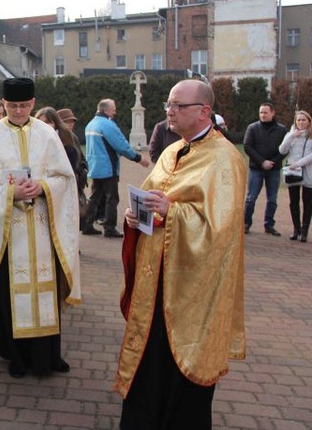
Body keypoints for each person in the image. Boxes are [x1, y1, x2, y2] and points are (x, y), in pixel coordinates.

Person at [116, 79, 246, 429]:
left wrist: (172, 211)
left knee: (180, 371)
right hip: (155, 278)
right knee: (149, 359)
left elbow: (221, 231)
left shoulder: (226, 159)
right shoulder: (172, 151)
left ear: (204, 111)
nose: (170, 112)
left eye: (178, 106)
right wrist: (135, 215)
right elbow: (150, 197)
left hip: (192, 290)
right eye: (168, 105)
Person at [0, 77, 81, 379]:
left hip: (42, 227)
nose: (18, 111)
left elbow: (65, 178)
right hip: (9, 232)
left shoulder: (48, 135)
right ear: (4, 103)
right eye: (12, 106)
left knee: (46, 292)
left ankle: (49, 355)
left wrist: (42, 187)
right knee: (10, 294)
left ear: (33, 103)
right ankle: (16, 356)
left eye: (24, 106)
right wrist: (11, 193)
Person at [82, 98, 149, 238]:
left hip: (95, 167)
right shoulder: (108, 125)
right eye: (113, 109)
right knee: (111, 198)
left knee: (95, 196)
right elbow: (121, 145)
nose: (115, 111)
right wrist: (138, 158)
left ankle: (87, 225)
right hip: (108, 167)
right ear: (106, 110)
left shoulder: (91, 124)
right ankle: (109, 228)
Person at [243, 102, 287, 236]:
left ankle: (269, 225)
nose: (263, 115)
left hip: (273, 169)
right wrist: (262, 162)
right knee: (251, 198)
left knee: (272, 199)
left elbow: (285, 149)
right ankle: (246, 223)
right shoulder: (252, 128)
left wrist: (273, 162)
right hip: (256, 168)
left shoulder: (281, 129)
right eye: (261, 112)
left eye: (265, 112)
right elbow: (247, 146)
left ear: (272, 113)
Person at [279, 110, 312, 242]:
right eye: (298, 120)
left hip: (308, 172)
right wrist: (292, 135)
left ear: (309, 121)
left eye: (303, 120)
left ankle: (304, 231)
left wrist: (298, 163)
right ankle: (296, 229)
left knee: (308, 203)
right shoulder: (291, 135)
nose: (301, 122)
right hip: (293, 173)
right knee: (293, 202)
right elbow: (282, 150)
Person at [58, 108, 89, 226]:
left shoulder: (74, 137)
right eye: (67, 121)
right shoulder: (56, 138)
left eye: (72, 121)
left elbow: (82, 157)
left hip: (76, 181)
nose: (71, 124)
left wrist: (84, 169)